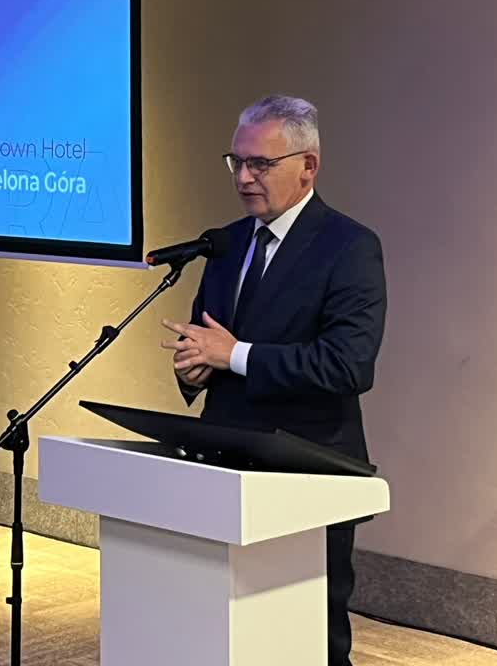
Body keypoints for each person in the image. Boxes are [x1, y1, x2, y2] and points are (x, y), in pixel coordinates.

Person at [161, 95, 386, 666]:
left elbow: (348, 365)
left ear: (308, 166)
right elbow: (209, 342)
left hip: (308, 471)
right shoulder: (226, 242)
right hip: (225, 466)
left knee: (310, 641)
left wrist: (235, 356)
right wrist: (192, 367)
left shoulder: (350, 247)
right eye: (236, 161)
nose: (243, 177)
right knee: (228, 634)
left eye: (260, 163)